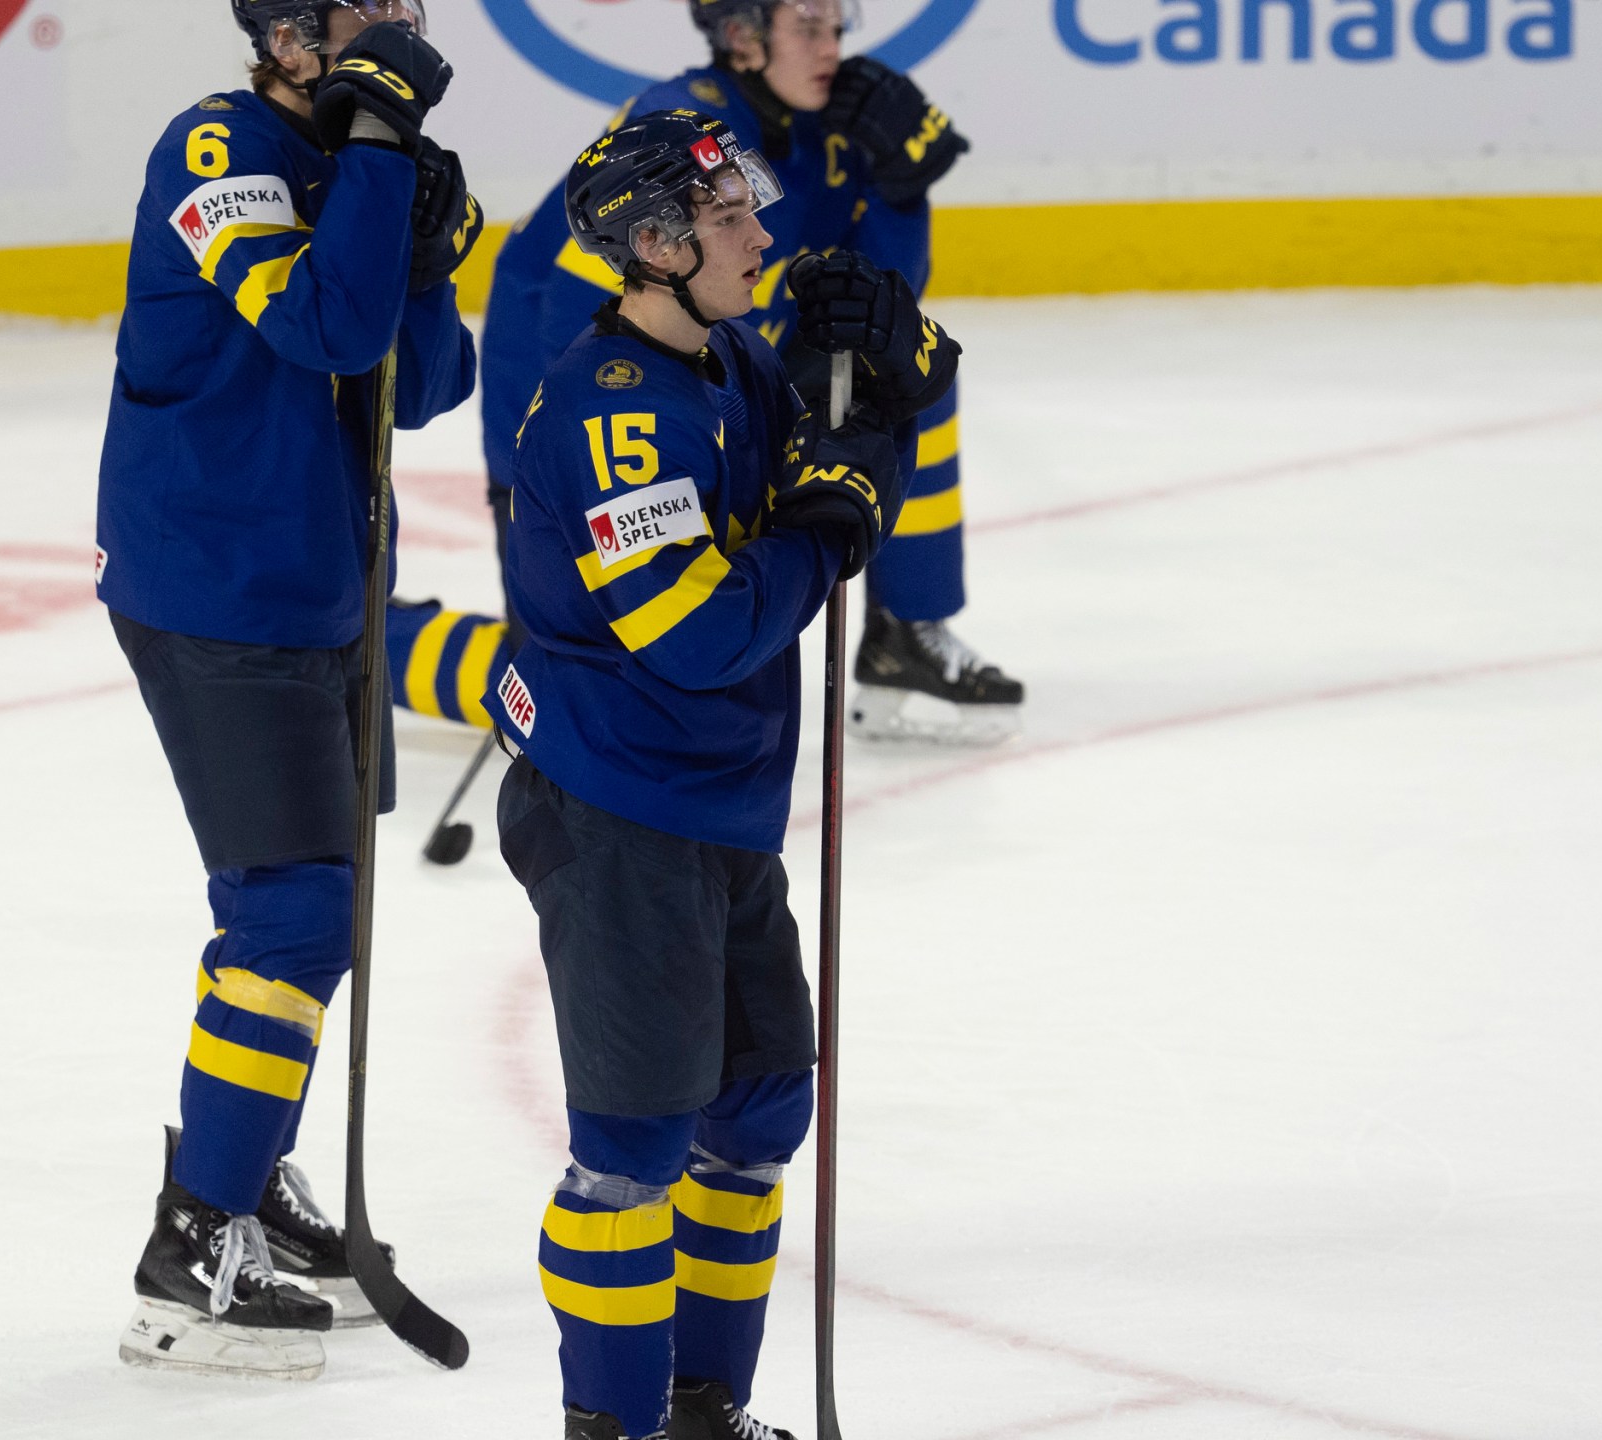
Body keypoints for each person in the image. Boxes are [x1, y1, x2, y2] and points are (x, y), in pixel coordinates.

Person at [487, 112, 957, 1440]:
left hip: (722, 806)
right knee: (632, 1157)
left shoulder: (733, 365)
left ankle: (707, 1411)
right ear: (655, 244)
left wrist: (888, 384)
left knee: (756, 1114)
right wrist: (828, 530)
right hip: (623, 813)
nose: (762, 231)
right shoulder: (610, 415)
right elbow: (696, 634)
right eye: (733, 216)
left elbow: (838, 474)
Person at [93, 0, 478, 1381]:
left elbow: (426, 379)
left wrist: (419, 230)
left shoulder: (359, 148)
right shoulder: (216, 153)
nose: (391, 29)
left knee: (320, 907)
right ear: (288, 31)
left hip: (326, 586)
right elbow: (319, 328)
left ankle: (244, 1181)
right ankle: (193, 1238)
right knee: (295, 914)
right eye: (361, 12)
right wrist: (377, 157)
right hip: (215, 584)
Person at [481, 0, 1020, 746]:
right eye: (808, 28)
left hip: (733, 351)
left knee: (911, 384)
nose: (832, 47)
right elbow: (580, 324)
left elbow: (883, 299)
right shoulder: (679, 131)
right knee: (597, 648)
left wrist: (904, 189)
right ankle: (392, 638)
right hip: (573, 372)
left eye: (837, 26)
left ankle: (908, 630)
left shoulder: (842, 116)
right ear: (741, 38)